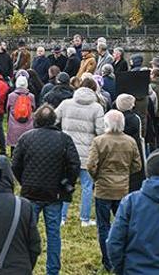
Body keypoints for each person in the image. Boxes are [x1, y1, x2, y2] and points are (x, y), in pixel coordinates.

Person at [12, 104, 80, 275]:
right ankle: (53, 270)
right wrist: (66, 183)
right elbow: (74, 165)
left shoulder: (26, 138)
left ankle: (24, 268)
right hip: (53, 193)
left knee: (26, 235)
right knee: (53, 234)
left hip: (33, 192)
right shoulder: (64, 139)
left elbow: (15, 164)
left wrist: (24, 182)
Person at [87, 110, 142, 272]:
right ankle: (122, 257)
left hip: (103, 189)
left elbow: (91, 165)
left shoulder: (99, 141)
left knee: (104, 226)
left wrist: (97, 177)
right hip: (122, 188)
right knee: (123, 225)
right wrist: (124, 173)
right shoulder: (130, 141)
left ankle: (108, 260)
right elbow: (137, 165)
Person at [55, 79, 105, 226]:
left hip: (67, 150)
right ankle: (84, 219)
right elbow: (101, 131)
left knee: (65, 183)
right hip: (87, 151)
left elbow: (52, 119)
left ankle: (62, 217)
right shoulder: (97, 108)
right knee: (87, 186)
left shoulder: (66, 104)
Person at [6, 76, 35, 155]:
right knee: (27, 148)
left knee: (14, 146)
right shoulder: (31, 96)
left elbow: (7, 109)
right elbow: (33, 108)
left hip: (14, 125)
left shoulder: (11, 96)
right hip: (28, 126)